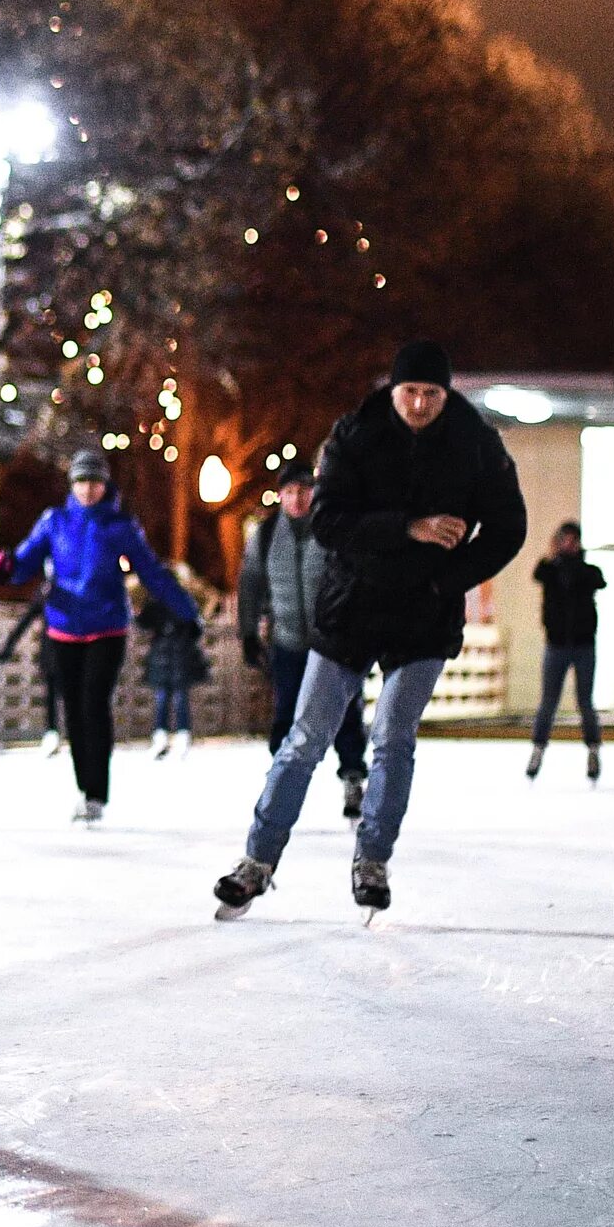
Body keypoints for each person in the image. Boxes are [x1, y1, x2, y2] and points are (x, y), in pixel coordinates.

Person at [214, 340, 525, 920]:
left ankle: (372, 860)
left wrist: (448, 580)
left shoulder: (475, 443)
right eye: (411, 391)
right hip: (352, 607)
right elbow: (327, 520)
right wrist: (409, 528)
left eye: (433, 393)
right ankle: (257, 860)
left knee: (393, 737)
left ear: (447, 391)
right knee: (305, 737)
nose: (421, 404)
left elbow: (510, 526)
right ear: (392, 388)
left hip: (423, 615)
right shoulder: (355, 435)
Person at [0, 448, 194, 823]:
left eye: (95, 482)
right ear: (72, 484)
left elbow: (151, 572)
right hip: (64, 628)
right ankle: (84, 788)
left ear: (105, 484)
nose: (88, 489)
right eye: (82, 481)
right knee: (73, 710)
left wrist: (186, 609)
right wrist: (7, 568)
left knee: (94, 706)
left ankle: (97, 793)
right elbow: (26, 561)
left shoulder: (120, 526)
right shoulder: (54, 521)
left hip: (106, 628)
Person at [236, 465, 370, 819]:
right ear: (280, 495)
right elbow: (249, 584)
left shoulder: (331, 529)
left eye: (304, 491)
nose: (297, 499)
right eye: (290, 492)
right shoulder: (264, 535)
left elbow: (354, 579)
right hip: (288, 642)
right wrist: (248, 632)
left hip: (333, 642)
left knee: (344, 712)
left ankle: (353, 776)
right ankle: (280, 784)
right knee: (285, 714)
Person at [528, 522, 604, 783]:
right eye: (566, 540)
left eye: (574, 540)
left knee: (585, 701)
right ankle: (537, 750)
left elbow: (598, 580)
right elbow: (539, 573)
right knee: (548, 702)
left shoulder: (587, 572)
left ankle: (593, 750)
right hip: (557, 645)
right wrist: (555, 557)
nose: (570, 545)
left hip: (583, 645)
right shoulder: (550, 570)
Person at [140, 584, 207, 758]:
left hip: (162, 655)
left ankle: (161, 737)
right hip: (181, 655)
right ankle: (181, 737)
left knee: (163, 698)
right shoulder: (186, 602)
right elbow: (197, 629)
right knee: (179, 698)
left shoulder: (155, 601)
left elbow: (143, 623)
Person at [0, 596, 62, 755]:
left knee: (75, 696)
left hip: (72, 651)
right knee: (51, 694)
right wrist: (7, 647)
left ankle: (70, 732)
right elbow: (25, 620)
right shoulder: (48, 591)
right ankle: (52, 731)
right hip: (52, 651)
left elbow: (26, 620)